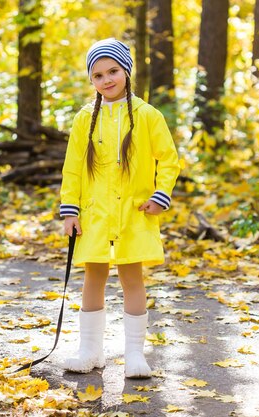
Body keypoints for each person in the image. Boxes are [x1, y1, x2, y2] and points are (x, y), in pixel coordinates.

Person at [59, 38, 180, 378]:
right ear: (91, 81)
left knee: (132, 277)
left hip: (133, 212)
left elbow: (169, 159)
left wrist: (161, 194)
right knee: (93, 276)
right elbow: (72, 167)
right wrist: (70, 210)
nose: (106, 80)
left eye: (112, 71)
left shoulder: (147, 115)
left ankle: (134, 354)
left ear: (126, 71)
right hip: (95, 213)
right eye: (97, 75)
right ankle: (90, 350)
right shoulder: (85, 119)